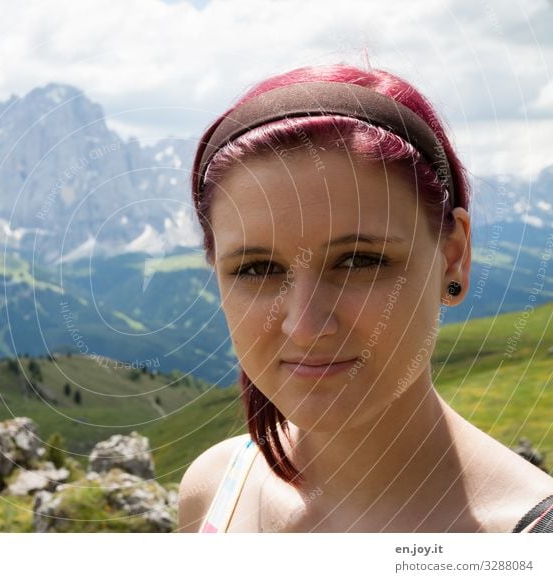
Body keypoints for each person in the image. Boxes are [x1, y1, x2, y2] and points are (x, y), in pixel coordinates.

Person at [177, 63, 553, 533]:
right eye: (256, 269)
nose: (306, 324)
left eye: (359, 261)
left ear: (454, 256)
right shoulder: (214, 490)